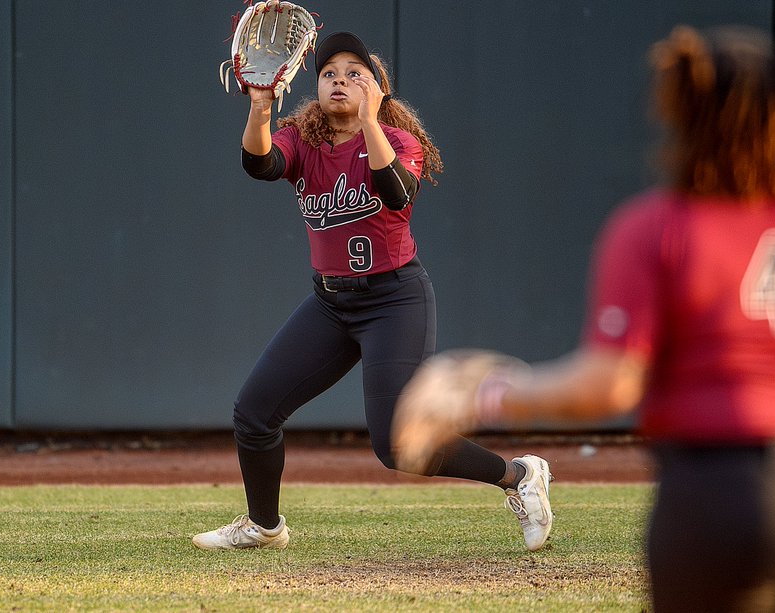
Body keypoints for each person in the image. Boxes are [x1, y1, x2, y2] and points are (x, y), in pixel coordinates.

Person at [394, 25, 775, 611]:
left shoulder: (657, 226)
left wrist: (488, 394)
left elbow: (611, 384)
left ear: (684, 113)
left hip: (718, 494)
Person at [194, 31, 553, 551]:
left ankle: (518, 475)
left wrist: (369, 120)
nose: (339, 79)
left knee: (397, 446)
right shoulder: (304, 139)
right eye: (329, 73)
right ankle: (265, 527)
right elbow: (261, 164)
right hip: (331, 303)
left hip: (393, 301)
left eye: (354, 72)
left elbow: (395, 191)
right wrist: (260, 106)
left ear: (379, 89)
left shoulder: (398, 142)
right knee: (253, 413)